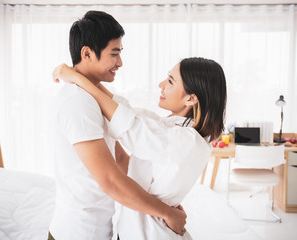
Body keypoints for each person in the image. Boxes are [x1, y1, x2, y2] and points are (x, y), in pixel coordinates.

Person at [52, 57, 227, 239]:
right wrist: (81, 78)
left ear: (191, 98)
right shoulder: (169, 128)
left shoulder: (183, 141)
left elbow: (127, 122)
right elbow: (123, 110)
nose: (161, 85)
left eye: (170, 81)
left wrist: (77, 78)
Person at [48, 10, 187, 240]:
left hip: (96, 229)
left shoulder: (90, 97)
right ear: (87, 53)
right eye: (115, 53)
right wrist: (166, 213)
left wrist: (163, 203)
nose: (120, 62)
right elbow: (111, 180)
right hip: (78, 232)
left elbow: (120, 159)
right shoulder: (77, 102)